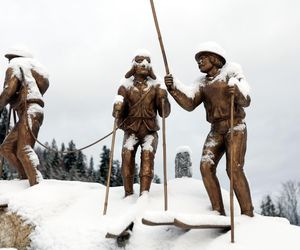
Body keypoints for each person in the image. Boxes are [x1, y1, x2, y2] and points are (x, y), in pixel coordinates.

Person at [164, 42, 254, 217]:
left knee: (233, 169)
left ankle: (247, 212)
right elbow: (190, 103)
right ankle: (217, 211)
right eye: (198, 60)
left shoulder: (231, 72)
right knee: (206, 166)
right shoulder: (201, 83)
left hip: (235, 126)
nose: (199, 62)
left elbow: (247, 100)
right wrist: (173, 88)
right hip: (216, 130)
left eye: (202, 58)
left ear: (214, 58)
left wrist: (237, 91)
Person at [113, 49, 170, 197]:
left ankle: (144, 194)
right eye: (139, 61)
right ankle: (128, 193)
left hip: (150, 131)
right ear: (133, 66)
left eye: (146, 62)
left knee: (147, 155)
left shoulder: (156, 87)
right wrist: (117, 108)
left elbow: (165, 113)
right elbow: (117, 113)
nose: (143, 64)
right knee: (127, 155)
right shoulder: (125, 87)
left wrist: (164, 99)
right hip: (131, 130)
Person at [0, 46, 49, 186]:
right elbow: (43, 85)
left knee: (23, 149)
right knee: (6, 148)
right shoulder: (32, 71)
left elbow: (9, 90)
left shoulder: (15, 66)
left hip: (29, 110)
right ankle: (26, 179)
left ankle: (36, 184)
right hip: (33, 111)